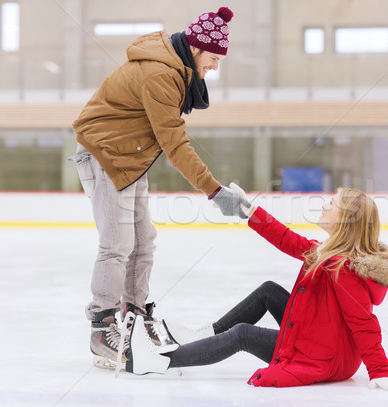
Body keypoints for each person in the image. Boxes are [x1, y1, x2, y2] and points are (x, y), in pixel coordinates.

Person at [68, 6, 248, 369]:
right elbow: (175, 145)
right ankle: (103, 329)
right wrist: (215, 192)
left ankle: (133, 316)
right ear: (196, 49)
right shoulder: (161, 75)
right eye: (213, 59)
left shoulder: (176, 69)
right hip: (104, 151)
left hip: (129, 155)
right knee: (117, 242)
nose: (214, 68)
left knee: (143, 240)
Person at [123, 187, 388, 390]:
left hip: (323, 357)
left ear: (345, 221)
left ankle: (159, 361)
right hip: (322, 341)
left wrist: (380, 371)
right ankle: (203, 335)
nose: (323, 206)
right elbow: (287, 239)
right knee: (269, 291)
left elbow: (363, 323)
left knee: (242, 335)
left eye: (331, 204)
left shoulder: (343, 270)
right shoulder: (326, 253)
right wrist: (249, 210)